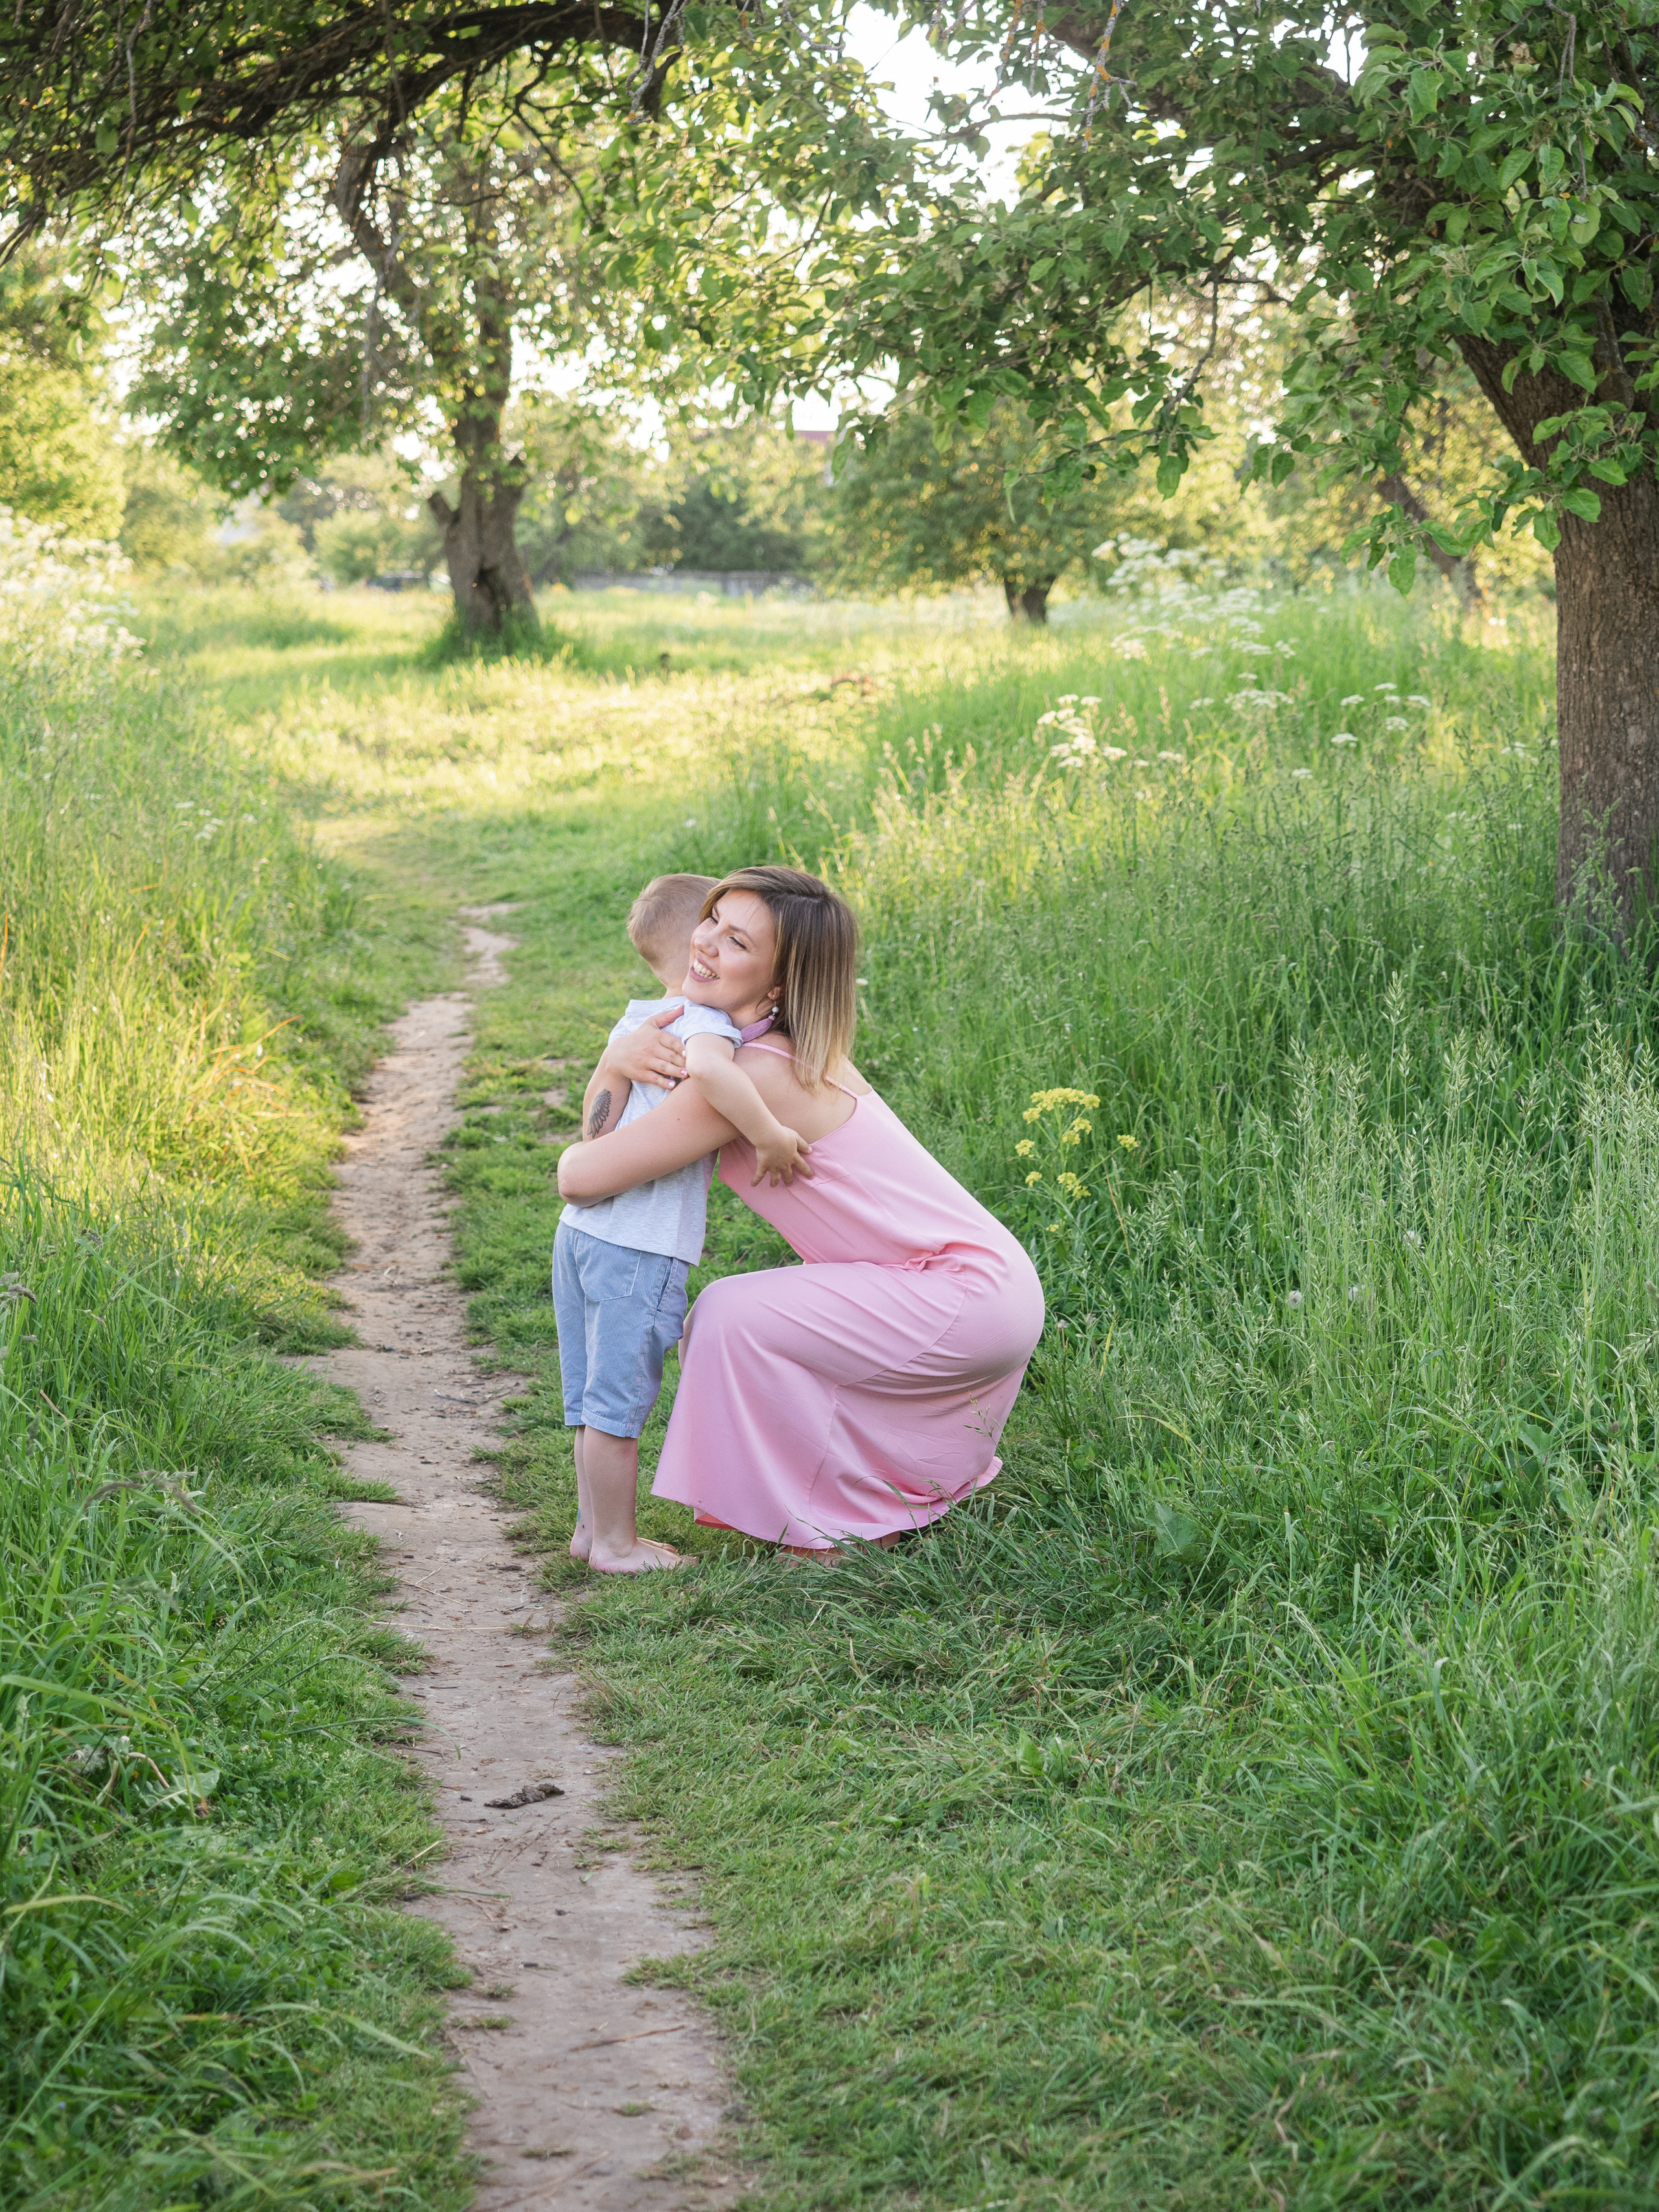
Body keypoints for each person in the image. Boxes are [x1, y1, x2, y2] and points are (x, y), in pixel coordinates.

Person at [557, 865, 1047, 1561]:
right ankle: (843, 1509)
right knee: (765, 1314)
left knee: (732, 1315)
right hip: (979, 1288)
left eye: (736, 942)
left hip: (959, 1292)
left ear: (779, 986)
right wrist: (616, 1061)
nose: (704, 944)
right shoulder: (782, 1053)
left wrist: (611, 1060)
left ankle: (818, 1533)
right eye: (711, 920)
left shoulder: (748, 1078)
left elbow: (581, 1174)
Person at [555, 872, 814, 1575]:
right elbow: (715, 1073)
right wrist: (766, 1131)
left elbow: (595, 1123)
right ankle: (616, 1543)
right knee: (617, 1407)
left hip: (579, 1232)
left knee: (588, 1401)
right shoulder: (705, 1025)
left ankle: (589, 1528)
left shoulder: (641, 1016)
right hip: (640, 1245)